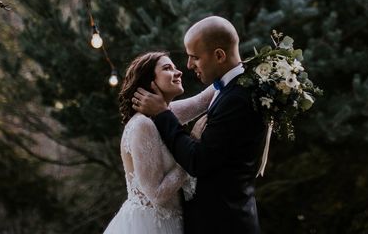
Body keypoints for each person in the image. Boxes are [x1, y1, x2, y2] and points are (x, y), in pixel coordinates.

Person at [133, 16, 267, 234]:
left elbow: (197, 161)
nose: (188, 66)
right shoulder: (229, 88)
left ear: (219, 55)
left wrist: (161, 113)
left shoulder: (237, 98)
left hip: (224, 223)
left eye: (194, 57)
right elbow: (196, 103)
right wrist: (158, 110)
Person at [104, 51, 214, 234]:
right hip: (152, 226)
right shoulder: (142, 125)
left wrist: (251, 66)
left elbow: (203, 101)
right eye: (167, 68)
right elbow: (157, 195)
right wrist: (193, 143)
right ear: (150, 82)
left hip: (174, 221)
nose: (179, 72)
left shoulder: (163, 113)